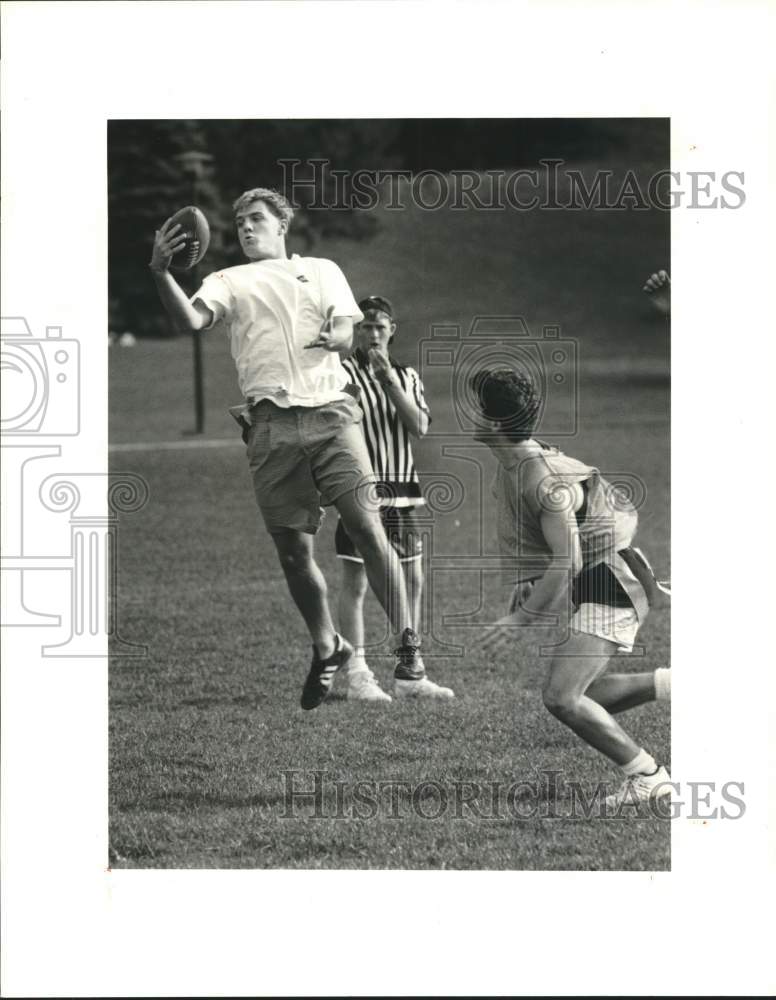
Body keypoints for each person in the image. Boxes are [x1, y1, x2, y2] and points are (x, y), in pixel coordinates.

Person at [148, 188, 429, 710]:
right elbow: (189, 321)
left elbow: (346, 327)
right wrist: (161, 271)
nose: (246, 227)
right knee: (293, 552)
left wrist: (338, 334)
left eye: (257, 218)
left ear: (282, 225)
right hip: (270, 426)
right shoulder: (227, 280)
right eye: (239, 221)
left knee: (369, 526)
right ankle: (328, 644)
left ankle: (407, 643)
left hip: (331, 416)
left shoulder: (321, 269)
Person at [472, 366, 671, 807]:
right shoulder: (518, 460)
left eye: (480, 408)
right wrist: (527, 578)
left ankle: (648, 776)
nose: (472, 414)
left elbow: (567, 560)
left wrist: (522, 619)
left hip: (611, 579)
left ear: (493, 424)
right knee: (583, 696)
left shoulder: (540, 478)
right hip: (604, 576)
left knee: (562, 698)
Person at [335, 296, 454, 702]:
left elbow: (419, 426)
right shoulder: (341, 373)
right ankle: (356, 674)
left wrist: (388, 380)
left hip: (403, 490)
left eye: (379, 327)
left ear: (392, 330)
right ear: (355, 329)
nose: (371, 334)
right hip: (358, 490)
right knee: (356, 582)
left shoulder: (406, 375)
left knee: (412, 579)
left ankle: (410, 674)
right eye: (364, 326)